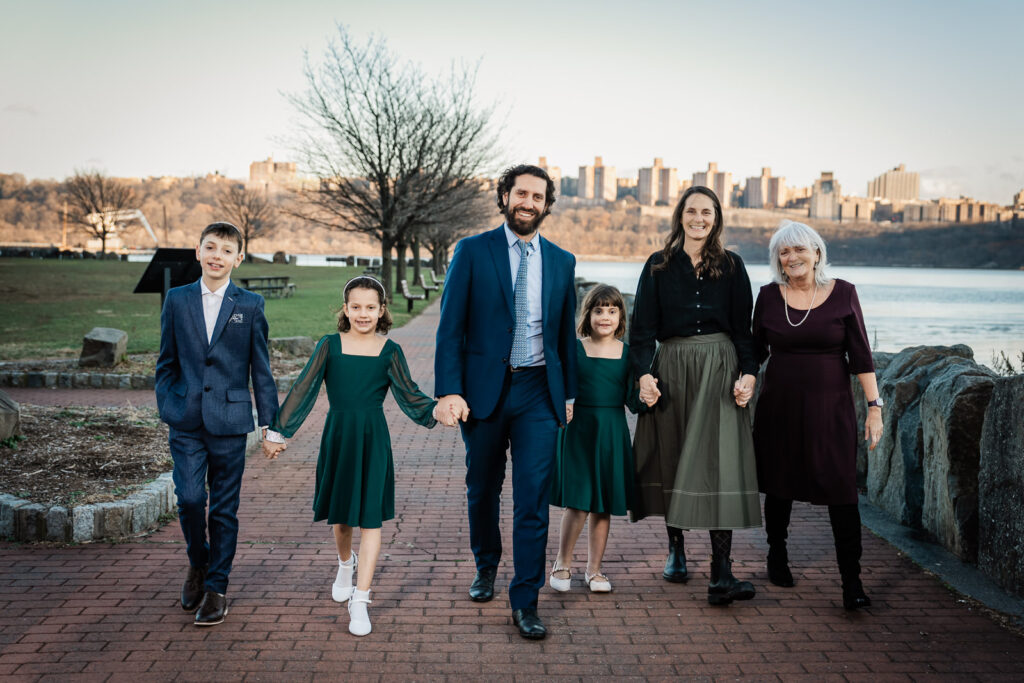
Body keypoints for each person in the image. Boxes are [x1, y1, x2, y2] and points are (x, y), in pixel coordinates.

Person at [434, 164, 578, 640]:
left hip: (539, 391)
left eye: (538, 197)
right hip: (484, 392)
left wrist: (569, 392)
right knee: (482, 489)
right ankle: (486, 565)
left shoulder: (561, 261)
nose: (529, 203)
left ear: (546, 205)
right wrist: (450, 390)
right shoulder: (472, 251)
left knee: (532, 500)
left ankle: (525, 600)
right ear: (504, 197)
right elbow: (450, 327)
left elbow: (563, 337)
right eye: (521, 194)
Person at [266, 276, 438, 636]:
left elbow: (411, 395)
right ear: (345, 309)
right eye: (356, 306)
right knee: (342, 520)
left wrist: (438, 411)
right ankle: (345, 563)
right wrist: (278, 430)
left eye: (370, 307)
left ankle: (360, 600)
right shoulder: (330, 345)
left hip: (373, 440)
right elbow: (304, 388)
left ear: (381, 310)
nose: (363, 313)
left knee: (370, 521)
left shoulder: (390, 351)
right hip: (339, 438)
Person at [629, 185, 762, 606]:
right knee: (674, 454)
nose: (699, 218)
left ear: (717, 218)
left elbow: (745, 329)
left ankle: (721, 572)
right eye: (691, 211)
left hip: (720, 369)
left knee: (719, 462)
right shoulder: (658, 266)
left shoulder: (734, 266)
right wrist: (642, 376)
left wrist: (749, 374)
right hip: (672, 368)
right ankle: (677, 552)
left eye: (706, 212)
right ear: (680, 216)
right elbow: (641, 333)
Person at [751, 220, 883, 611]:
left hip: (831, 411)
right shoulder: (768, 297)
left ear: (817, 253)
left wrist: (874, 408)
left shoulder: (844, 294)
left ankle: (852, 582)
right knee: (779, 485)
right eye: (784, 252)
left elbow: (861, 356)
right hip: (779, 407)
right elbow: (754, 351)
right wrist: (738, 382)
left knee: (842, 491)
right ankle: (777, 555)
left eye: (799, 250)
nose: (792, 258)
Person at [155, 221, 281, 626]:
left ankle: (217, 587)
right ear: (197, 251)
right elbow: (165, 362)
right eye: (210, 247)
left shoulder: (250, 305)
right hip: (186, 420)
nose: (216, 256)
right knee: (190, 499)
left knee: (223, 511)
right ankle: (198, 562)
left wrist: (269, 425)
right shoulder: (176, 299)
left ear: (238, 258)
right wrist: (168, 405)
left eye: (226, 251)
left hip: (230, 421)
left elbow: (260, 370)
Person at [549, 284, 642, 594]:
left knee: (602, 505)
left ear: (621, 317)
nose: (605, 317)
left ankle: (594, 570)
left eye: (612, 311)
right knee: (578, 502)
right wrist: (563, 402)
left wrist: (651, 392)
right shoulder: (574, 349)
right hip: (579, 431)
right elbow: (558, 386)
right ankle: (562, 563)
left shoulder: (628, 354)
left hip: (611, 432)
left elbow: (633, 400)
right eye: (598, 310)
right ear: (587, 315)